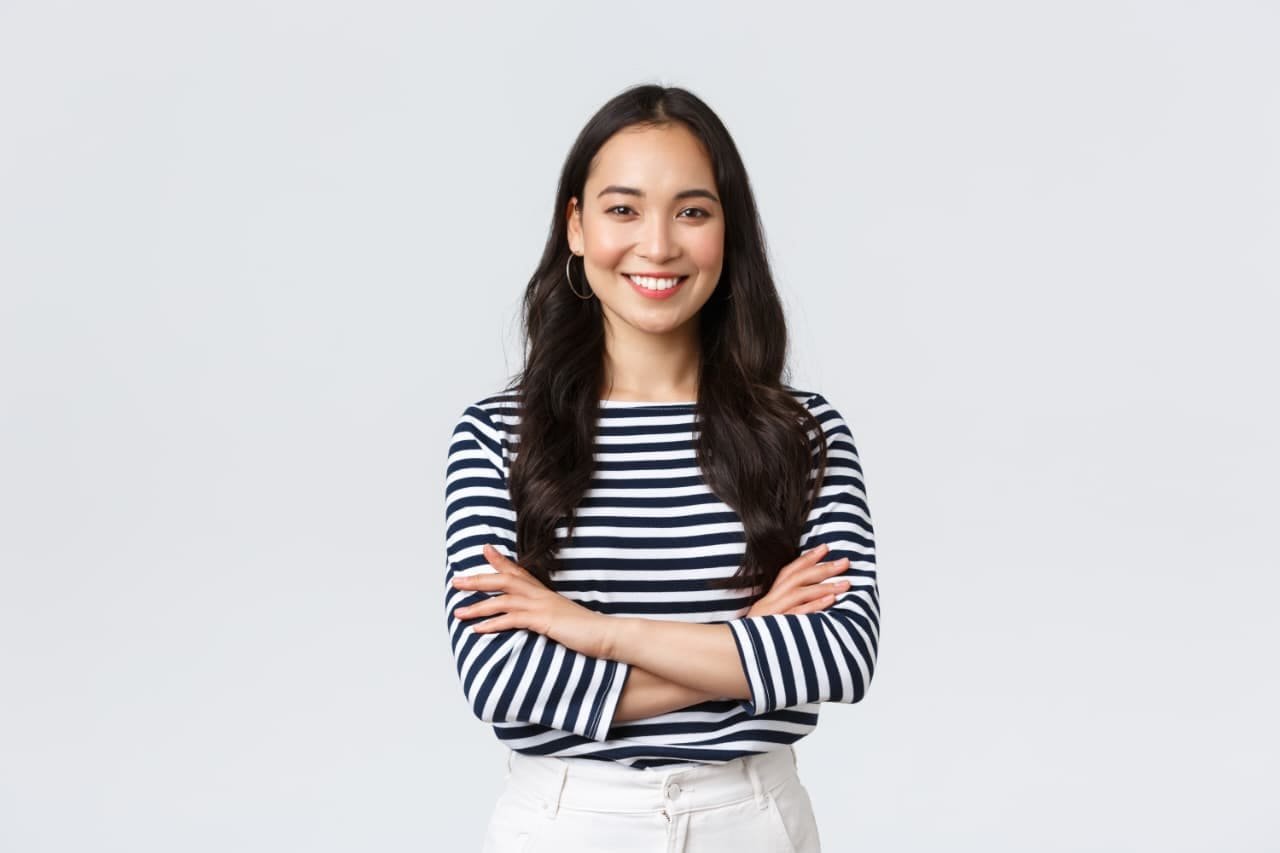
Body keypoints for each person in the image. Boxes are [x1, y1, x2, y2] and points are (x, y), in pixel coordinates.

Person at [444, 83, 879, 852]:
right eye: (622, 209)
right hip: (566, 824)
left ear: (726, 230)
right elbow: (503, 680)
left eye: (692, 210)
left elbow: (837, 652)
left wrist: (590, 631)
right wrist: (749, 637)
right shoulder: (496, 436)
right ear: (575, 225)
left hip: (751, 820)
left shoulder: (802, 433)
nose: (658, 245)